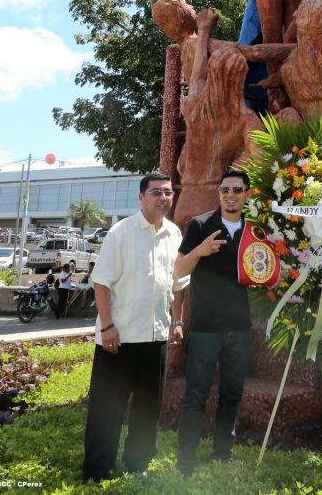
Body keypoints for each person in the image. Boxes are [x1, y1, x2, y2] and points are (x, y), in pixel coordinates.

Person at [82, 172, 185, 483]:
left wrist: (177, 320)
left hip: (155, 337)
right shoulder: (121, 233)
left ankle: (137, 463)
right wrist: (108, 326)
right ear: (141, 197)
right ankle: (97, 472)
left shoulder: (174, 234)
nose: (163, 198)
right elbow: (101, 283)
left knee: (147, 408)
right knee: (107, 408)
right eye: (156, 192)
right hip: (120, 337)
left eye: (168, 192)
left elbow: (178, 284)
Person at [173, 167, 253, 475]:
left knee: (231, 395)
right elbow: (178, 270)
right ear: (218, 193)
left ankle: (223, 454)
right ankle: (186, 460)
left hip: (240, 328)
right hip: (205, 327)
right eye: (224, 190)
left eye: (236, 190)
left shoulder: (253, 231)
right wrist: (201, 250)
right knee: (196, 395)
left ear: (246, 194)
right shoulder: (200, 225)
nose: (229, 196)